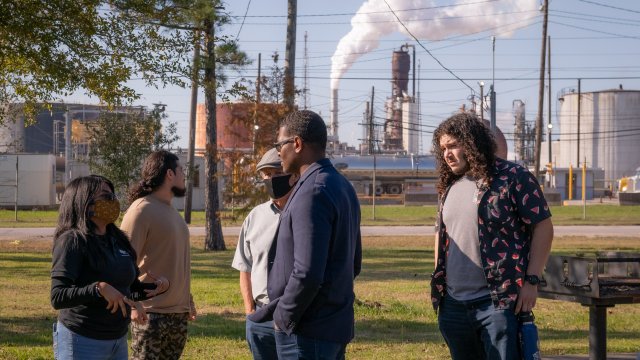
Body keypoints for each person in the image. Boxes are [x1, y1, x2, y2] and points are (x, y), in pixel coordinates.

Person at [430, 112, 554, 360]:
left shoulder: (513, 178)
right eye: (443, 148)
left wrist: (531, 281)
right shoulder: (450, 185)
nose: (447, 154)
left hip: (497, 302)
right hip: (454, 305)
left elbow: (543, 227)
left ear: (472, 142)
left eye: (453, 145)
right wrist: (438, 280)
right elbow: (440, 234)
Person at [249, 110, 362, 360]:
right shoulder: (341, 186)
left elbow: (307, 272)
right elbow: (353, 263)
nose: (278, 152)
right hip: (331, 325)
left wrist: (284, 317)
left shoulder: (312, 191)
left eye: (280, 144)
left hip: (307, 331)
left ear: (297, 143)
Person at [50, 175, 168, 360]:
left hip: (117, 340)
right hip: (81, 340)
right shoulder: (72, 241)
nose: (113, 201)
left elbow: (128, 291)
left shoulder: (118, 240)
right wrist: (99, 288)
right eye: (106, 196)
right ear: (85, 203)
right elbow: (58, 297)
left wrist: (155, 288)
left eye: (113, 196)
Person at [120, 150, 195, 360]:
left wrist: (186, 299)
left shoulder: (172, 212)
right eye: (181, 170)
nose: (184, 176)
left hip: (177, 314)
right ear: (169, 174)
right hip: (150, 315)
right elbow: (123, 264)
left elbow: (172, 260)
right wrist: (135, 304)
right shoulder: (140, 210)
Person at [232, 148, 299, 360]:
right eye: (266, 174)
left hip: (295, 317)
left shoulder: (305, 214)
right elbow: (245, 267)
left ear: (293, 175)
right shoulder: (255, 217)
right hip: (260, 317)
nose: (271, 179)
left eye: (277, 174)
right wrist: (250, 311)